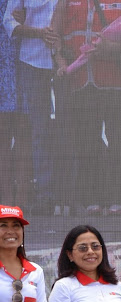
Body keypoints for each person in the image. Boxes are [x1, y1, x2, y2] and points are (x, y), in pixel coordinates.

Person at [51, 0, 121, 216]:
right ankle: (91, 198)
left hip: (118, 80)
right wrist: (60, 61)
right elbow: (54, 34)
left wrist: (112, 48)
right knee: (87, 140)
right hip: (82, 80)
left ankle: (119, 199)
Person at [3, 0, 57, 214]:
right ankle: (15, 198)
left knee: (32, 129)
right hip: (21, 58)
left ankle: (29, 196)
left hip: (51, 58)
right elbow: (11, 20)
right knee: (15, 131)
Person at [0, 0, 32, 207]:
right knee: (3, 137)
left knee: (24, 134)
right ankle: (5, 197)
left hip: (26, 60)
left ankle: (21, 196)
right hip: (4, 62)